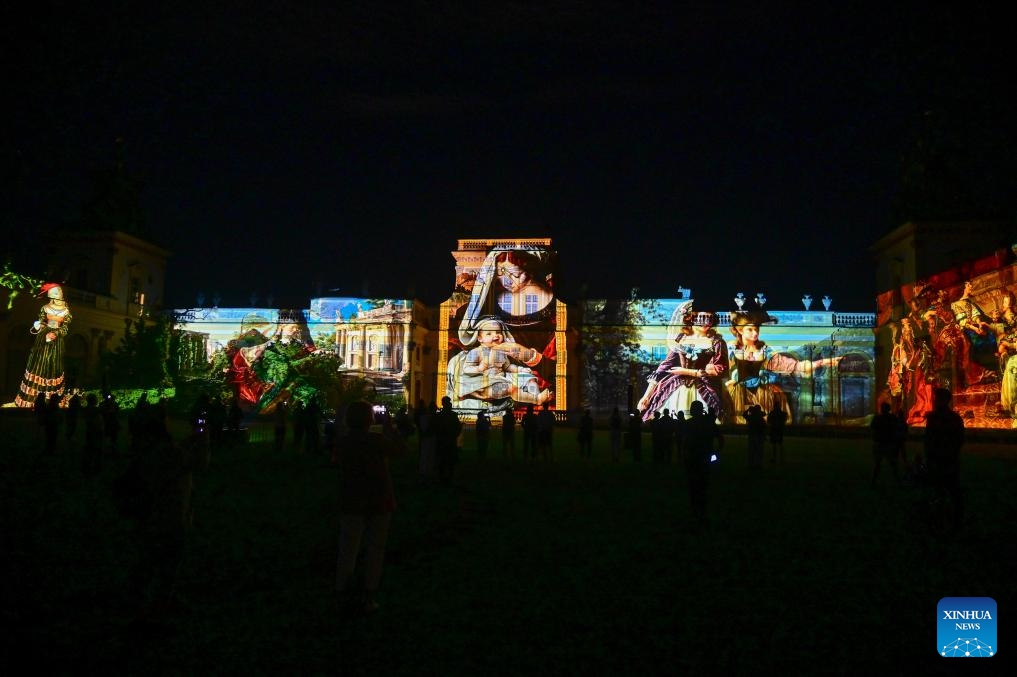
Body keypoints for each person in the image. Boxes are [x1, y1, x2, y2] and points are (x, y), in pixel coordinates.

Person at [447, 246, 558, 413]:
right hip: (490, 384)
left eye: (516, 274)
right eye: (501, 274)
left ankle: (534, 396)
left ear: (530, 269)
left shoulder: (556, 309)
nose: (508, 281)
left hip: (517, 381)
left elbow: (560, 368)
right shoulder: (482, 306)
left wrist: (528, 356)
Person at [335, 400, 406, 617]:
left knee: (348, 547)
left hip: (351, 499)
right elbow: (399, 450)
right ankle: (368, 593)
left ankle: (343, 590)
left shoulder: (344, 443)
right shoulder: (376, 440)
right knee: (376, 548)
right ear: (370, 419)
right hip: (378, 498)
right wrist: (390, 428)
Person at [727, 309, 839, 424]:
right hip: (738, 393)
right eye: (750, 329)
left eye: (756, 329)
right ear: (740, 330)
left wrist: (821, 362)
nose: (755, 333)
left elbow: (794, 366)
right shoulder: (731, 349)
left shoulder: (765, 351)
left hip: (762, 393)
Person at [637, 307, 730, 423]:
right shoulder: (681, 339)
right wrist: (646, 396)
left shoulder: (717, 342)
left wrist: (686, 371)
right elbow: (664, 366)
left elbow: (720, 369)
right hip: (676, 388)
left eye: (710, 318)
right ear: (692, 318)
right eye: (702, 318)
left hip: (704, 387)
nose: (706, 322)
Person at [447, 316, 551, 411]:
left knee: (529, 378)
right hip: (486, 384)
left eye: (498, 332)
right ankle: (537, 400)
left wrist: (521, 369)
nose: (495, 335)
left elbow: (508, 366)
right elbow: (466, 369)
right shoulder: (476, 352)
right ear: (480, 338)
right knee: (511, 389)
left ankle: (535, 397)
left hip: (503, 377)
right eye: (489, 333)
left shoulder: (501, 350)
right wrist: (479, 368)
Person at [15, 283, 72, 408]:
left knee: (53, 364)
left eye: (59, 291)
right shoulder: (45, 308)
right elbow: (42, 321)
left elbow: (65, 327)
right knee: (40, 363)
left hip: (57, 340)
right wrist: (40, 325)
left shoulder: (66, 310)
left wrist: (56, 333)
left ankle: (52, 400)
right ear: (51, 295)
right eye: (55, 292)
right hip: (43, 337)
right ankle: (32, 399)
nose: (59, 294)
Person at [924, 388, 965, 530]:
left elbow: (928, 440)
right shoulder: (955, 418)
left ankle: (942, 518)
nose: (934, 401)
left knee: (941, 488)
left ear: (942, 400)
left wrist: (930, 456)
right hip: (950, 458)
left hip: (940, 459)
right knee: (952, 489)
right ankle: (954, 518)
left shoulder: (934, 418)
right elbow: (960, 439)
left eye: (936, 398)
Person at [682, 401, 723, 528]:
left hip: (693, 458)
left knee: (693, 486)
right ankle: (702, 511)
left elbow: (684, 441)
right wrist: (716, 453)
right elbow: (720, 438)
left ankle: (695, 511)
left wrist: (684, 454)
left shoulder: (689, 424)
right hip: (705, 457)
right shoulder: (708, 423)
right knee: (703, 485)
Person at [434, 396, 462, 484]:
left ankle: (443, 477)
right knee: (448, 460)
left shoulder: (440, 415)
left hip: (444, 440)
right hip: (448, 440)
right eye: (448, 403)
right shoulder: (451, 415)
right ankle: (448, 477)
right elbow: (458, 427)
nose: (450, 404)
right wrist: (454, 435)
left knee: (444, 460)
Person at [870, 402, 899, 487]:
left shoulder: (878, 418)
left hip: (881, 443)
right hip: (887, 443)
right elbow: (896, 429)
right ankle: (897, 481)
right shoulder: (892, 418)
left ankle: (873, 481)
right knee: (892, 463)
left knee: (878, 464)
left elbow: (872, 429)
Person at [743, 404, 766, 469]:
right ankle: (758, 463)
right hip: (759, 435)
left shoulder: (751, 417)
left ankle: (751, 463)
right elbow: (764, 425)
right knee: (759, 451)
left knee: (752, 450)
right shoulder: (760, 417)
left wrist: (749, 410)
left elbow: (744, 414)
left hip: (752, 435)